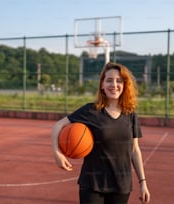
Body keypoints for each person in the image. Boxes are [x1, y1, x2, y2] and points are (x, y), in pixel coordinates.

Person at [51, 62, 150, 204]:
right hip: (93, 183)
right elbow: (58, 126)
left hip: (121, 184)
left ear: (124, 85)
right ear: (102, 85)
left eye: (119, 81)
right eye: (109, 80)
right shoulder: (90, 110)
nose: (114, 85)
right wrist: (57, 153)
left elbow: (135, 150)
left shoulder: (130, 114)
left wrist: (143, 182)